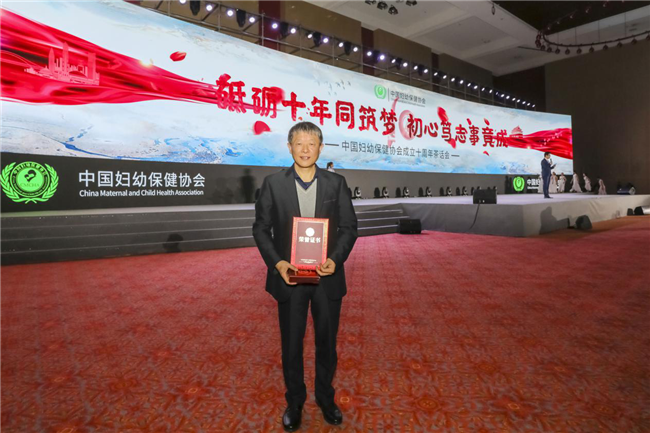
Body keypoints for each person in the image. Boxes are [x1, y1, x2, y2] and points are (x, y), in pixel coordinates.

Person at [253, 121, 358, 432]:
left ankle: (325, 398)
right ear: (289, 147)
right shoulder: (273, 184)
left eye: (312, 144)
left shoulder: (336, 183)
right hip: (290, 279)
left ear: (321, 148)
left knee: (327, 342)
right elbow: (261, 229)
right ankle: (295, 401)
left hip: (327, 279)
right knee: (291, 344)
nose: (305, 150)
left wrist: (335, 260)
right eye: (299, 143)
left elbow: (349, 228)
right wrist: (278, 264)